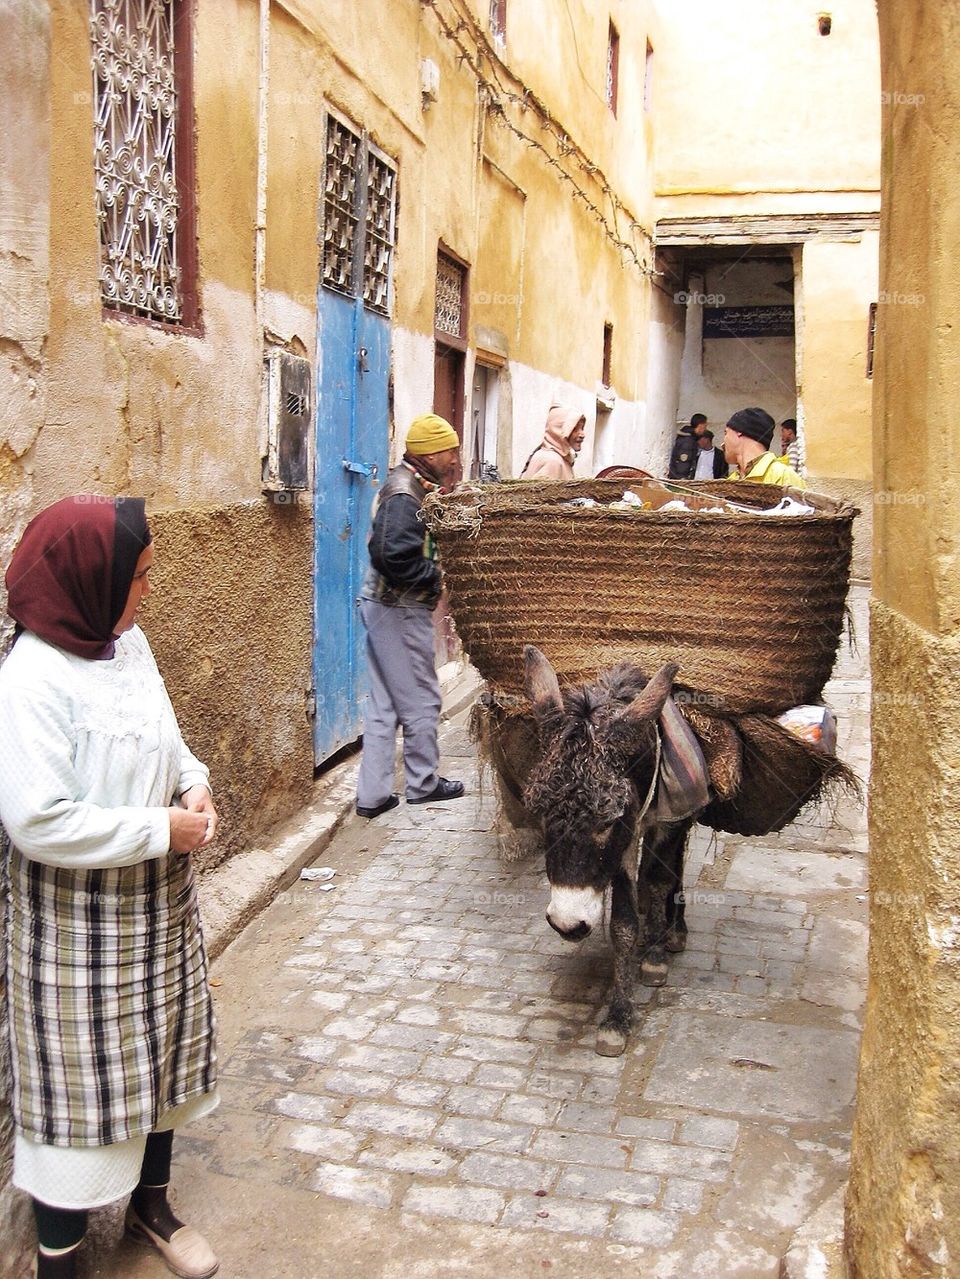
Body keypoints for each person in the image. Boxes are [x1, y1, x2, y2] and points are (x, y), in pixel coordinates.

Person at [0, 497, 220, 1279]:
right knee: (75, 1098)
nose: (148, 591)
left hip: (155, 912)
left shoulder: (126, 642)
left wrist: (192, 782)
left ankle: (150, 1207)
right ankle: (59, 1259)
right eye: (140, 576)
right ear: (92, 580)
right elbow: (39, 820)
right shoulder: (31, 677)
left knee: (158, 1060)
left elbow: (168, 735)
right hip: (74, 926)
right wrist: (162, 829)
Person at [355, 414, 466, 818]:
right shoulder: (405, 495)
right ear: (431, 453)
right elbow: (390, 555)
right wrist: (434, 578)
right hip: (398, 608)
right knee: (422, 696)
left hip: (383, 606)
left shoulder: (409, 485)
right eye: (450, 450)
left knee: (384, 704)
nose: (455, 459)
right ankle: (423, 783)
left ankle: (373, 796)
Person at [722, 406, 806, 488]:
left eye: (726, 433)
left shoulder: (784, 477)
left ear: (739, 431)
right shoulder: (731, 481)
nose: (723, 443)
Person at [519, 404, 586, 480]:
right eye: (574, 429)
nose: (582, 435)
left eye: (582, 428)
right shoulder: (553, 462)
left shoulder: (557, 458)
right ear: (557, 431)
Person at [667, 413, 708, 480]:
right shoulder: (688, 441)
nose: (705, 429)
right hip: (680, 479)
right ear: (700, 425)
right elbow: (683, 462)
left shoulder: (691, 438)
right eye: (705, 426)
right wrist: (683, 479)